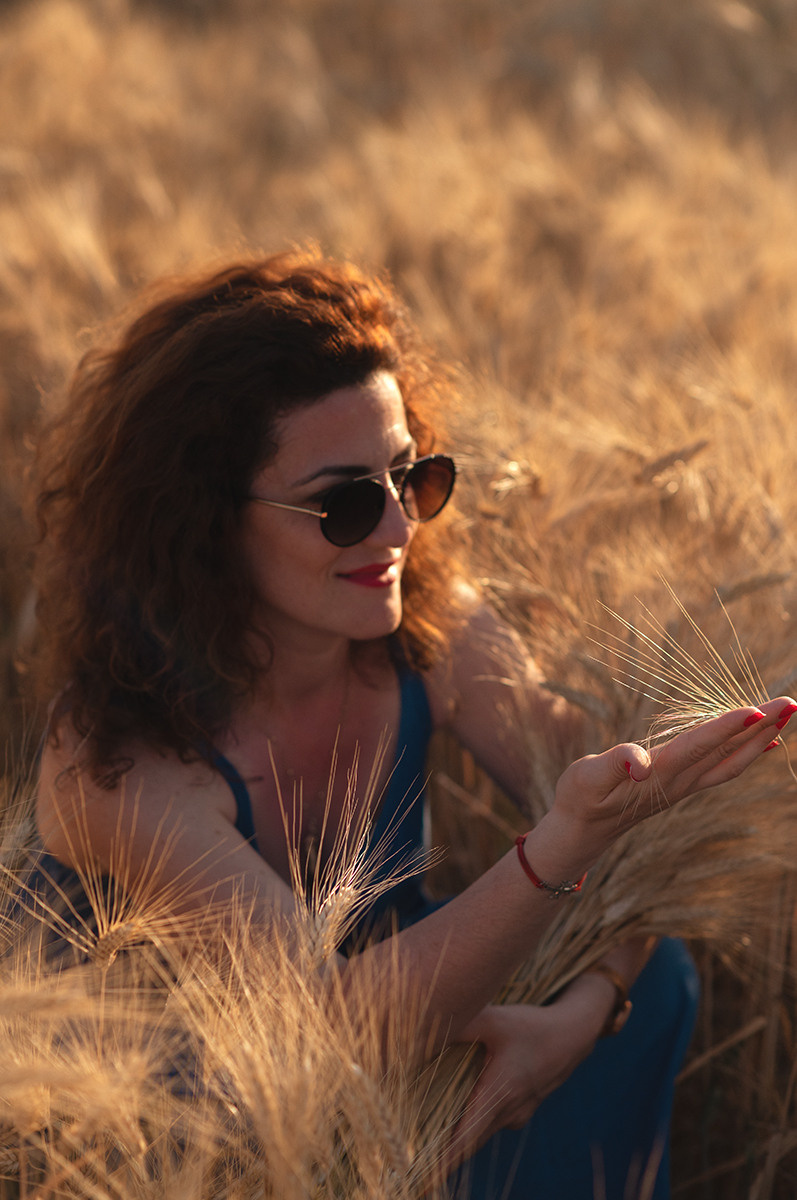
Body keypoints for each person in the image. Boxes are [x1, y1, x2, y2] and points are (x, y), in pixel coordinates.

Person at [26, 249, 796, 1198]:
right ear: (203, 519)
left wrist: (580, 1018)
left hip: (398, 1035)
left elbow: (642, 842)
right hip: (171, 1122)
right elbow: (330, 1028)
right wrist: (561, 845)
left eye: (410, 477)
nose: (398, 531)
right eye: (343, 502)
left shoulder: (430, 626)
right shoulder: (116, 758)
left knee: (654, 974)